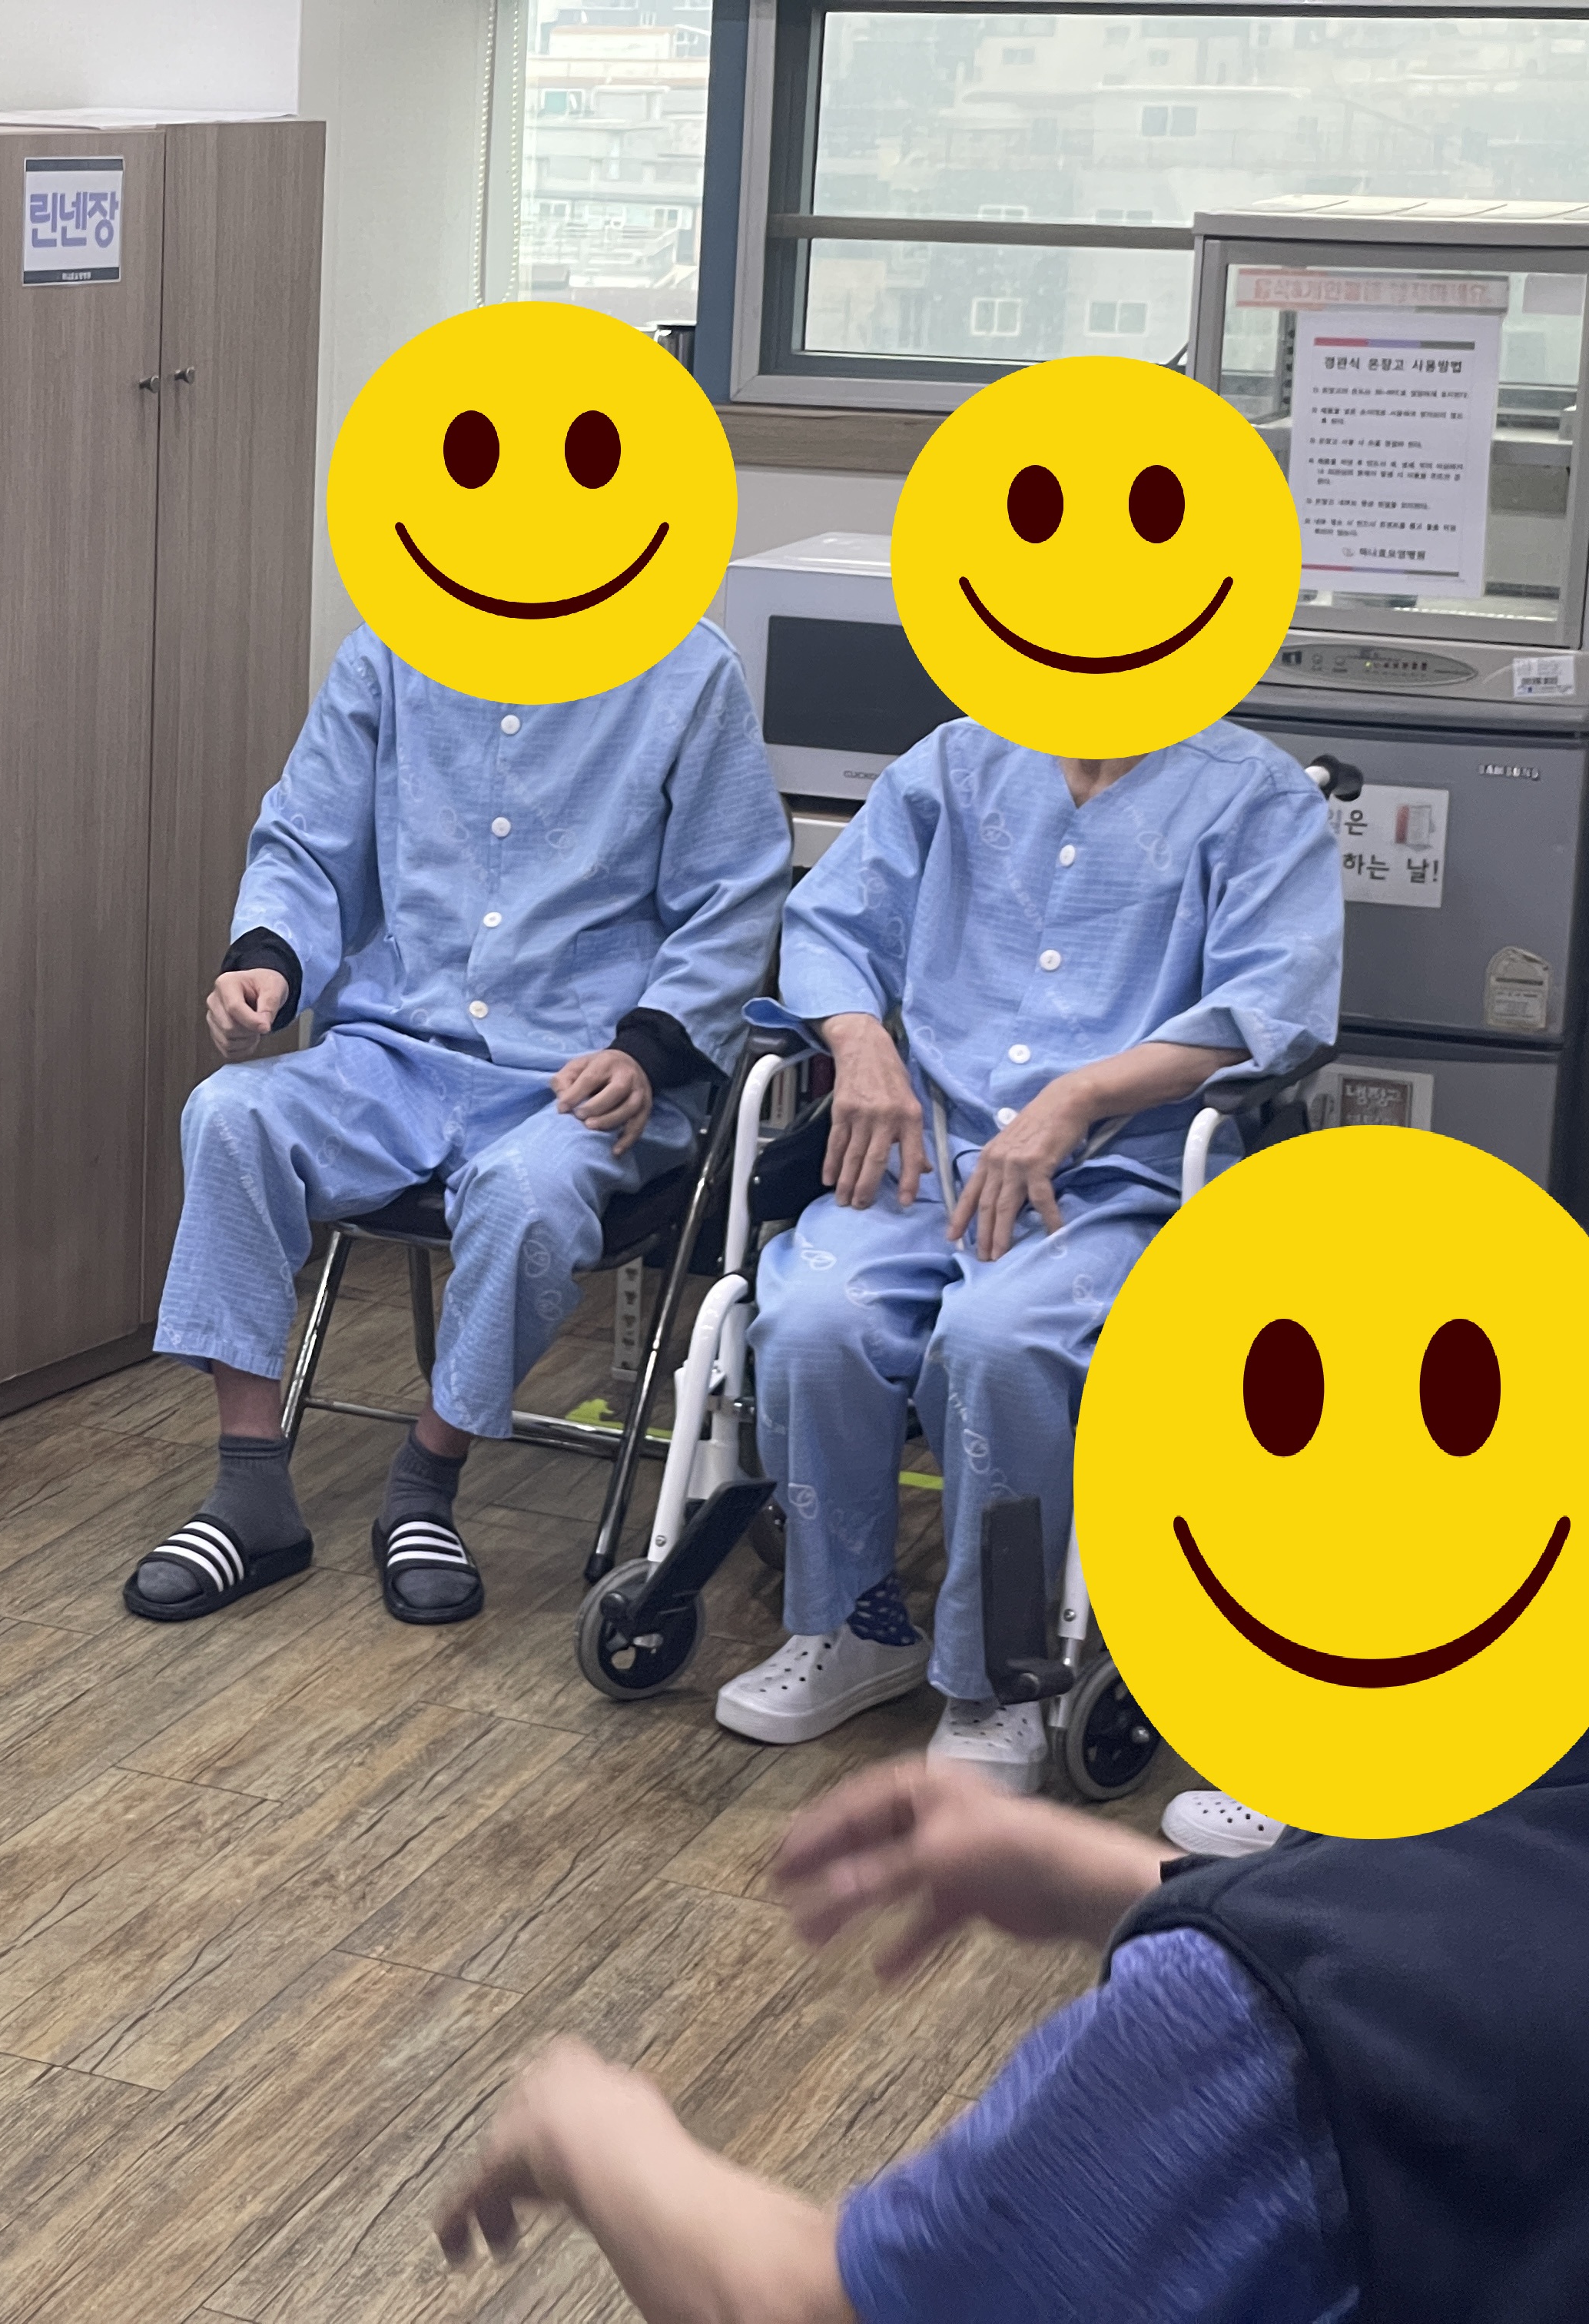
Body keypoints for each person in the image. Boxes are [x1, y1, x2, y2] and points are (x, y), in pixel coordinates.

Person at [715, 719, 1340, 1799]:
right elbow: (833, 923)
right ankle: (854, 1625)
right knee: (814, 1320)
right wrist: (861, 1043)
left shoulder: (1256, 794)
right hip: (927, 1147)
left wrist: (1079, 1094)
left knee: (998, 1343)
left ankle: (998, 1675)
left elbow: (1269, 1007)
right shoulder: (954, 763)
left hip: (1116, 1172)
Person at [124, 621, 790, 1625]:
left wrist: (650, 1049)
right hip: (394, 1051)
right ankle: (250, 1487)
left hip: (587, 1071)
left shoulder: (688, 670)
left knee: (527, 1193)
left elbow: (735, 892)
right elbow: (308, 840)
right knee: (229, 1114)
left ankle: (425, 1484)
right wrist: (266, 960)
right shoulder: (389, 651)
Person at [439, 1744, 1589, 2319]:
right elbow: (1482, 1943)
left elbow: (814, 2309)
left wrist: (588, 2135)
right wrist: (1120, 1878)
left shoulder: (1260, 2027)